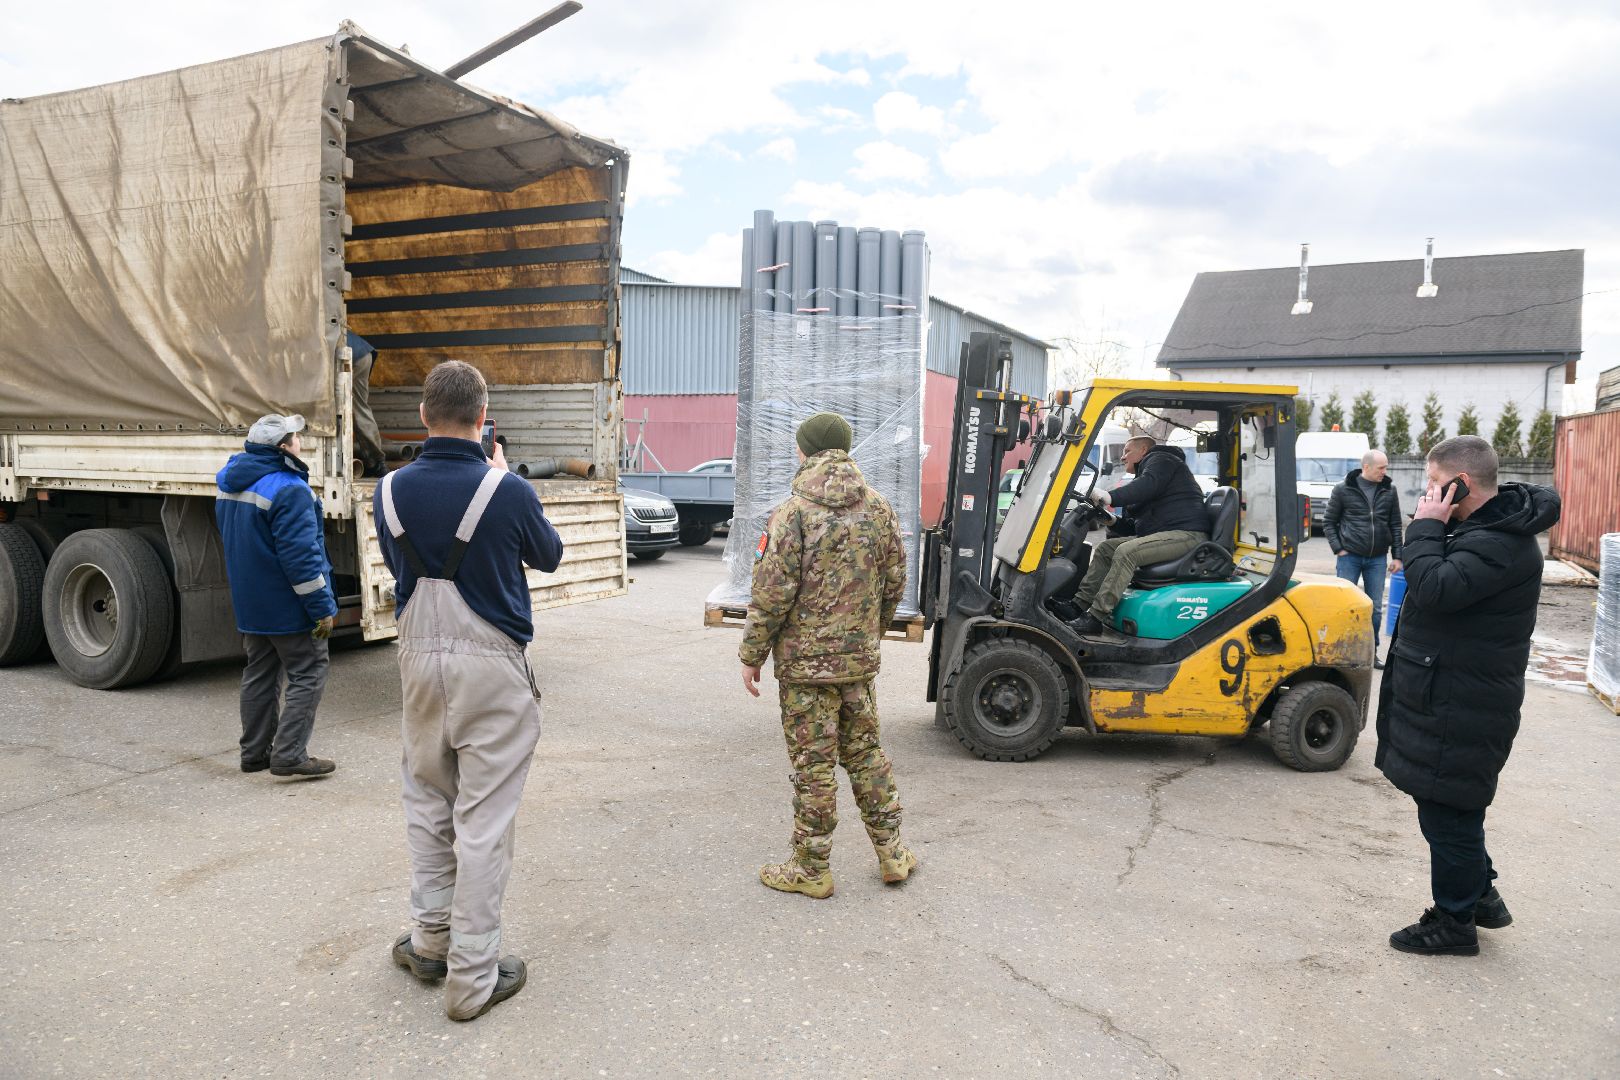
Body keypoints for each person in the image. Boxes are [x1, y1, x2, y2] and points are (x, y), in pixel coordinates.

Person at [373, 360, 563, 1020]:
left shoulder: (388, 489)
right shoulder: (504, 489)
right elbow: (550, 554)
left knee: (427, 801)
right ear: (484, 420)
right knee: (482, 821)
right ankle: (473, 978)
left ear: (424, 416)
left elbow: (400, 562)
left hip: (418, 660)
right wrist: (504, 477)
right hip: (491, 664)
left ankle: (429, 943)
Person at [1377, 436, 1560, 956]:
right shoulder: (1481, 530)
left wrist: (1426, 527)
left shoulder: (1499, 542)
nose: (1429, 494)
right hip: (1454, 693)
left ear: (1463, 484)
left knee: (1448, 814)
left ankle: (1454, 923)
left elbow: (1436, 587)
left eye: (1436, 484)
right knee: (1448, 808)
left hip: (1464, 702)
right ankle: (1479, 895)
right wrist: (1438, 528)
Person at [740, 411, 916, 900]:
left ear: (805, 452)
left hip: (805, 667)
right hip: (858, 663)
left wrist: (752, 653)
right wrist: (867, 635)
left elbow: (772, 592)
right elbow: (895, 583)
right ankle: (893, 852)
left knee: (814, 765)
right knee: (866, 753)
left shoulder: (792, 512)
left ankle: (811, 868)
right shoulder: (879, 508)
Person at [214, 414, 339, 779]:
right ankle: (289, 754)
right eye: (296, 437)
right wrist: (322, 609)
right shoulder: (290, 489)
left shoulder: (231, 481)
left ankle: (254, 753)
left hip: (250, 602)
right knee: (309, 670)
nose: (300, 441)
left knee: (260, 672)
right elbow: (301, 561)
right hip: (286, 606)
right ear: (284, 447)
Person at [1071, 436, 1210, 637]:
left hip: (1188, 535)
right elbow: (1136, 528)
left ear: (1143, 450)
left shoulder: (1163, 460)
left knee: (1127, 552)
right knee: (1105, 549)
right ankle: (1078, 606)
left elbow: (1148, 485)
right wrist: (1112, 520)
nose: (1122, 456)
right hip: (1166, 535)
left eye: (1127, 451)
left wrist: (1111, 496)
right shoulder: (1145, 478)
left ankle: (1095, 618)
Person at [1324, 449, 1404, 666]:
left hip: (1377, 559)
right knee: (1345, 606)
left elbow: (1395, 524)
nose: (1385, 472)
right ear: (1366, 467)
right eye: (1381, 467)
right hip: (1349, 557)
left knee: (1375, 608)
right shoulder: (1343, 489)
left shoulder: (1389, 490)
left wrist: (1397, 556)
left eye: (1386, 467)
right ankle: (1343, 652)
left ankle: (1370, 653)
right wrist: (1338, 549)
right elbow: (1329, 522)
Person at [347, 331, 388, 478]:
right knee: (360, 407)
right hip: (363, 353)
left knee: (350, 408)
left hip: (350, 356)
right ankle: (375, 462)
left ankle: (376, 462)